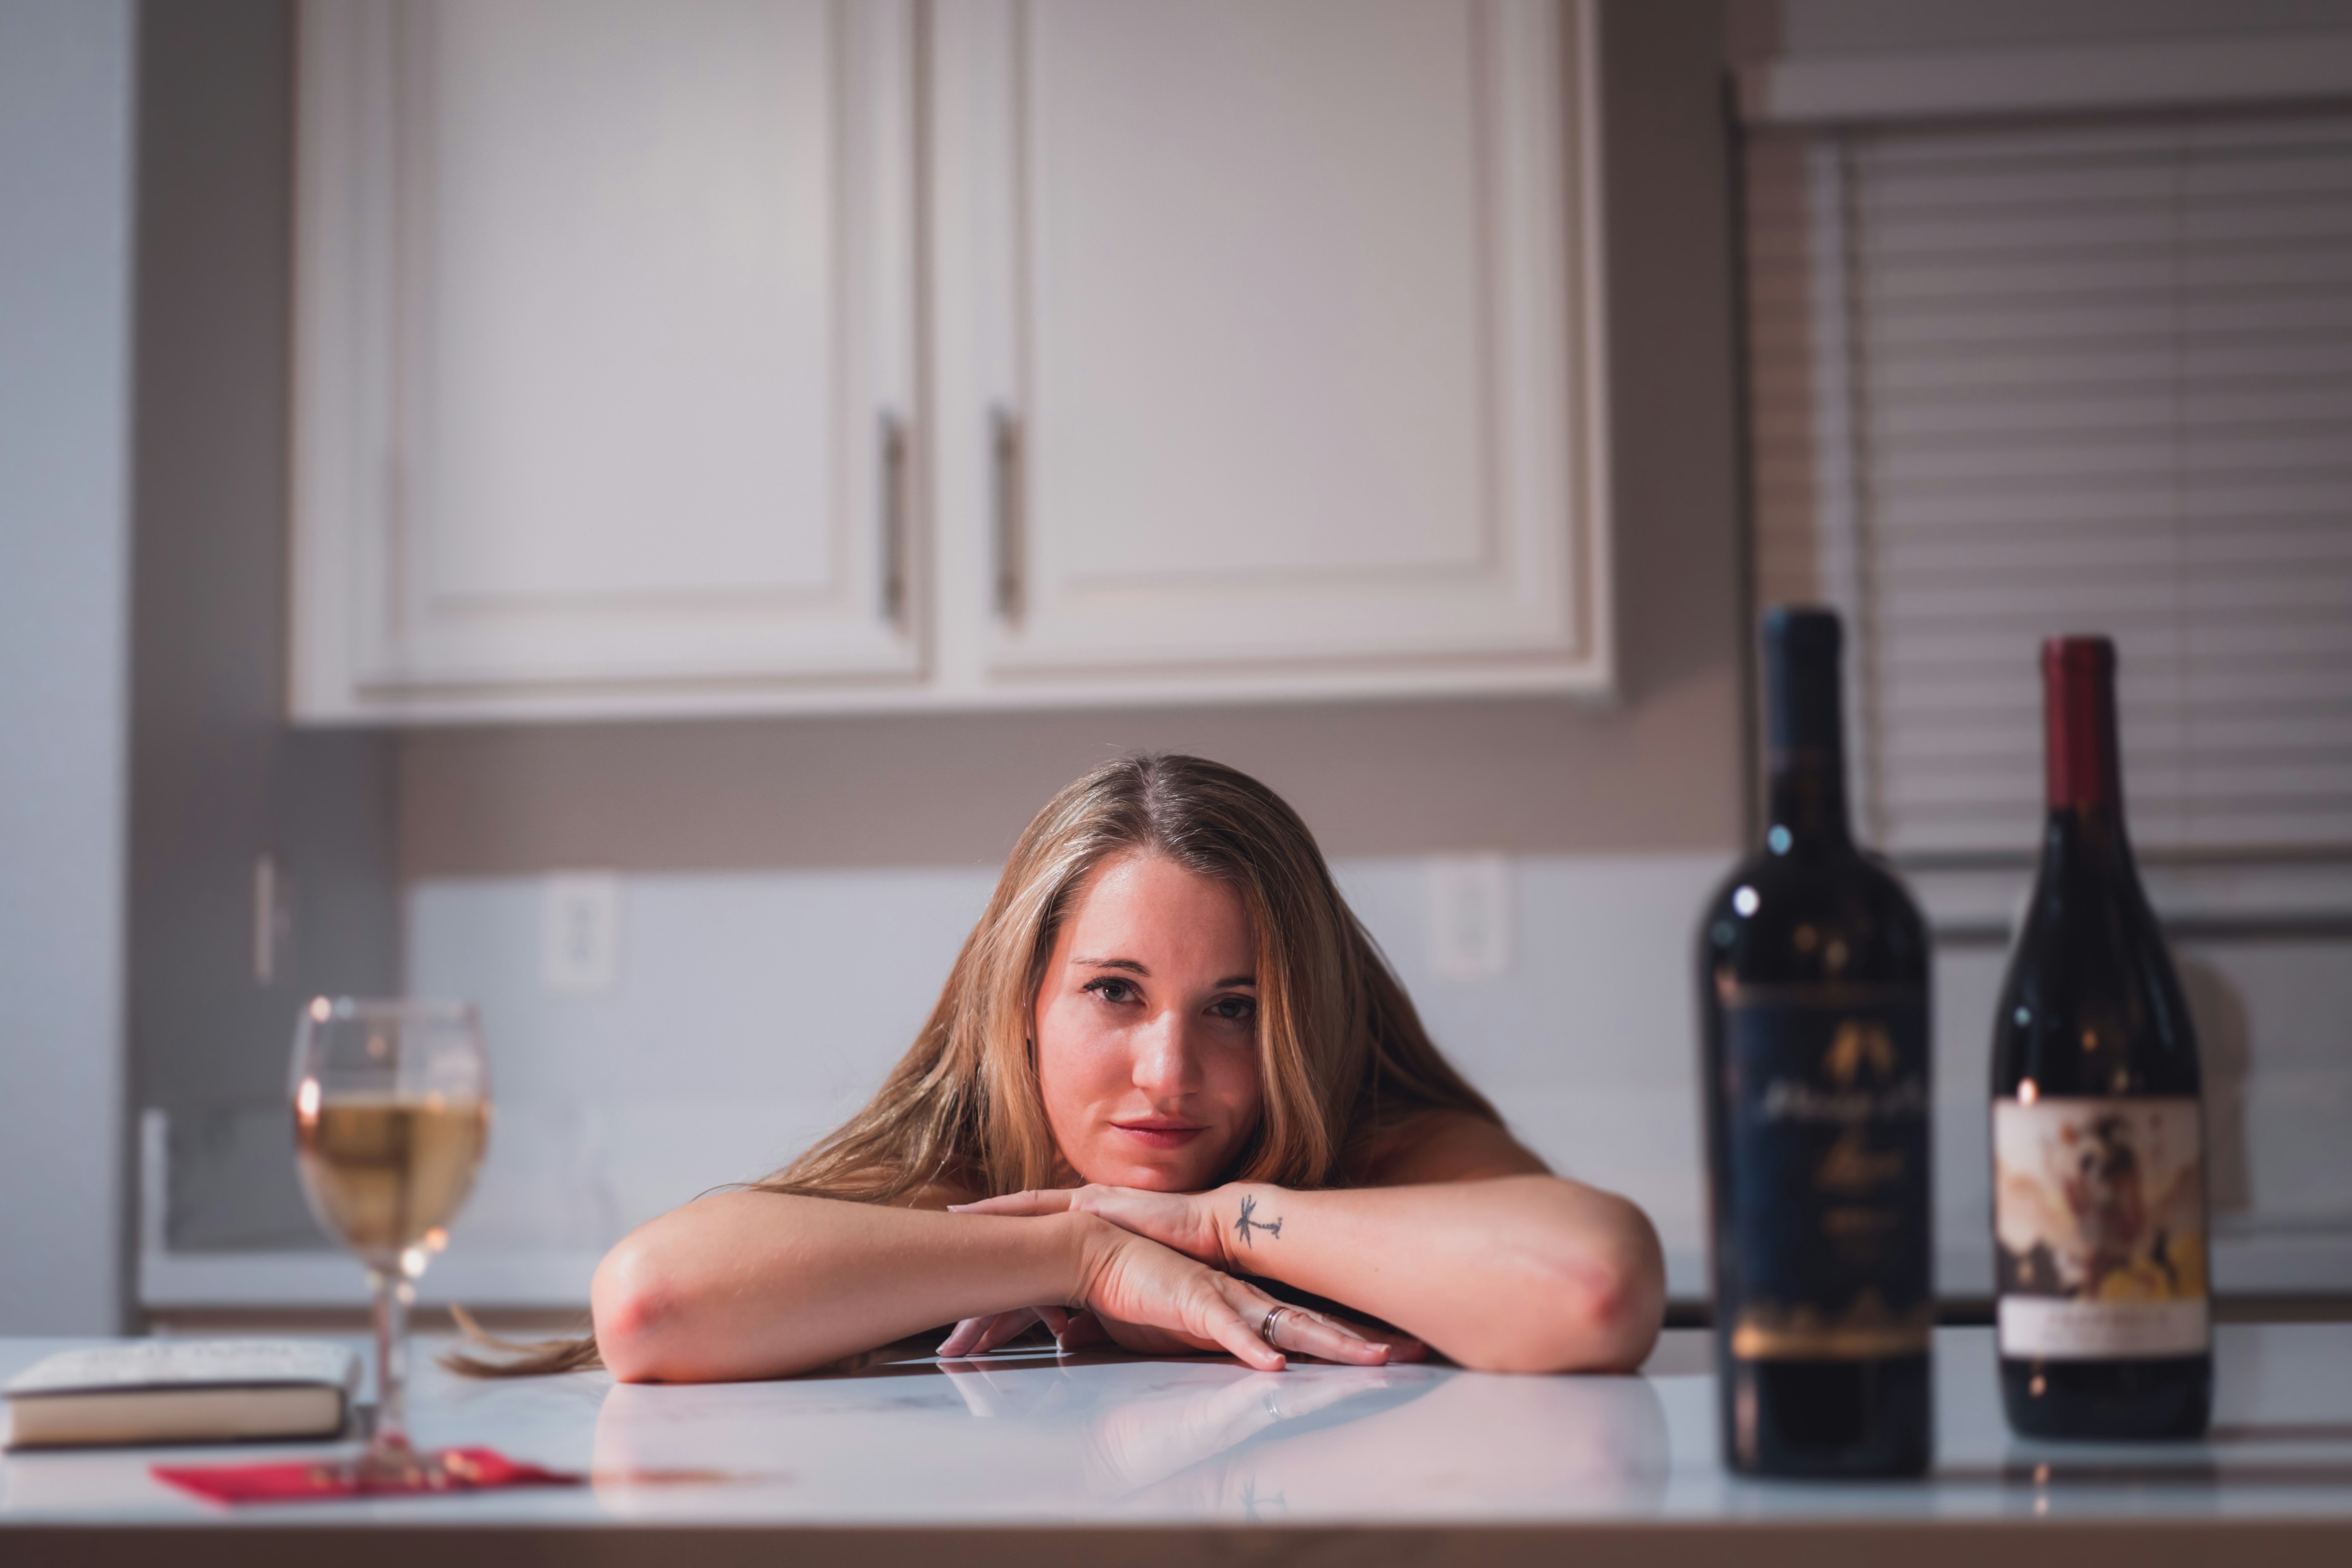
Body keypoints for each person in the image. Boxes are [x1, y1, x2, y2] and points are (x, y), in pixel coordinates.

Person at [483, 753, 1662, 1382]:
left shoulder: (1372, 1141)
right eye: (1116, 992)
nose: (1168, 1072)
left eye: (1235, 1009)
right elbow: (650, 1304)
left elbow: (1593, 1285)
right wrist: (1082, 1250)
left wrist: (1214, 1226)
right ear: (1027, 1008)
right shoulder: (983, 1167)